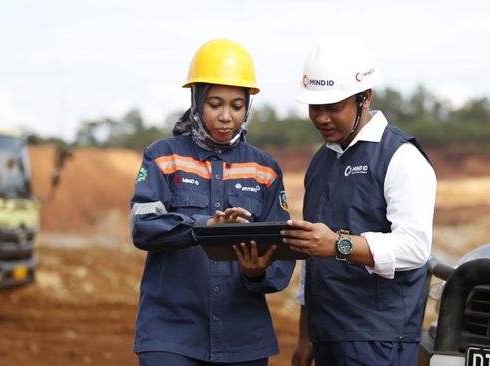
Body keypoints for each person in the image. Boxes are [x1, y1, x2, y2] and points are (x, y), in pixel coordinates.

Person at [130, 39, 295, 366]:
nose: (225, 116)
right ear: (196, 100)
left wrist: (257, 271)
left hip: (243, 339)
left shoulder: (264, 169)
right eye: (215, 103)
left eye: (236, 106)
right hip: (170, 335)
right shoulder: (162, 157)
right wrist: (206, 226)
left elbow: (281, 250)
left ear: (248, 107)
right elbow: (144, 227)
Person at [283, 36, 437, 366]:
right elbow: (313, 257)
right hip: (328, 337)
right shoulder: (320, 162)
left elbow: (414, 247)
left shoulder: (400, 157)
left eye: (333, 107)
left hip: (379, 340)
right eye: (315, 107)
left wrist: (338, 245)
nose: (322, 118)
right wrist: (305, 337)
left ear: (364, 98)